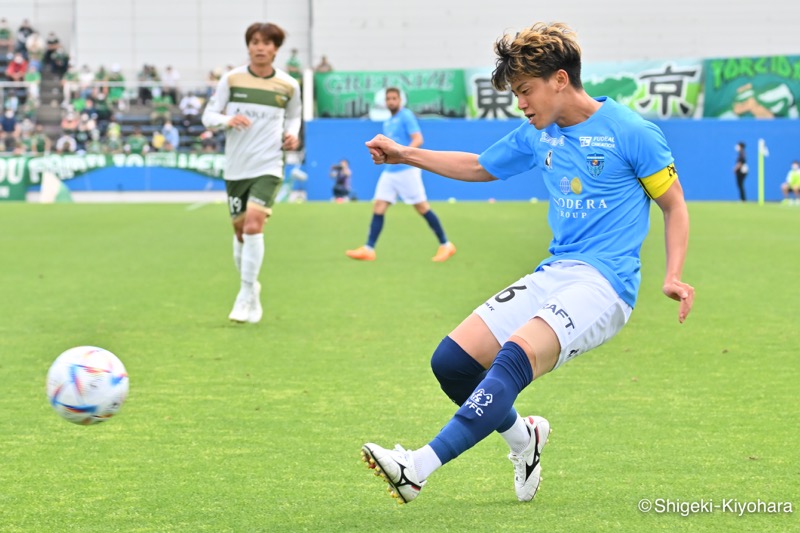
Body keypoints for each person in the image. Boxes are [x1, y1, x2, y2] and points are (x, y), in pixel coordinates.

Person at [359, 22, 694, 505]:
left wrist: (673, 274)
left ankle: (417, 468)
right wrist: (404, 154)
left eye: (524, 90)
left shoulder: (631, 132)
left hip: (606, 285)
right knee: (452, 363)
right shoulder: (539, 134)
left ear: (560, 79)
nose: (521, 103)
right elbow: (479, 166)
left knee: (514, 356)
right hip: (556, 272)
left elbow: (674, 205)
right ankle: (524, 438)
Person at [202, 22, 301, 324]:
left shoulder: (288, 85)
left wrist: (292, 134)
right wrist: (227, 120)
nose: (260, 47)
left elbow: (294, 116)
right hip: (236, 167)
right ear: (248, 46)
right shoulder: (232, 79)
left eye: (267, 43)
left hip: (269, 164)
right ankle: (252, 289)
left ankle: (245, 294)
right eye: (255, 42)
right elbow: (208, 116)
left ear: (276, 49)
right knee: (240, 231)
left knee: (254, 226)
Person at [345, 87, 456, 262]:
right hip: (390, 172)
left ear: (400, 100)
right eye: (388, 99)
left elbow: (418, 139)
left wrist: (404, 155)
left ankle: (446, 245)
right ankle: (369, 249)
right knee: (379, 207)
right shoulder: (388, 122)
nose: (391, 101)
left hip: (407, 171)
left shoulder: (406, 116)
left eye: (394, 98)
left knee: (421, 207)